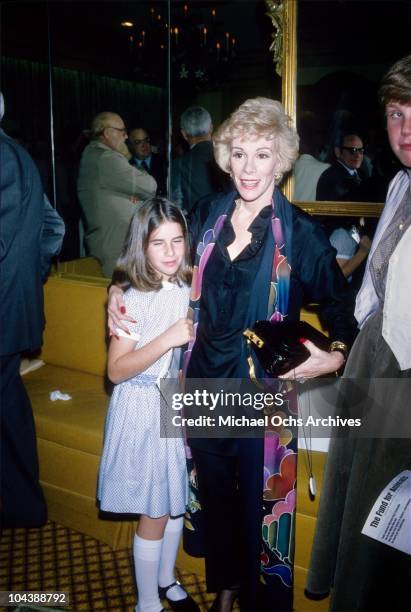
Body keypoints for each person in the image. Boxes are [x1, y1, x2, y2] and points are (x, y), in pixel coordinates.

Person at [108, 98, 356, 611]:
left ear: (282, 160)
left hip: (260, 397)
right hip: (199, 385)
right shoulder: (206, 216)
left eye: (262, 155)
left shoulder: (301, 234)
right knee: (218, 499)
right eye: (239, 153)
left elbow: (340, 309)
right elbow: (149, 252)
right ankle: (226, 585)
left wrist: (335, 356)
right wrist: (115, 291)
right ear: (225, 157)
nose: (248, 168)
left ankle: (248, 593)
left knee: (256, 505)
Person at [306, 54, 411, 612]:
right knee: (370, 521)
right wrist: (343, 353)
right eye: (396, 114)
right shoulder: (398, 184)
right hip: (375, 368)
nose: (406, 128)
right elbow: (375, 295)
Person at [97, 198, 199, 612]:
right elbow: (116, 371)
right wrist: (167, 338)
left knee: (174, 504)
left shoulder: (185, 283)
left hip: (171, 401)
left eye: (178, 240)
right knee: (156, 512)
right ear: (142, 246)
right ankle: (146, 604)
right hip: (141, 407)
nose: (172, 252)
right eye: (159, 243)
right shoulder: (134, 299)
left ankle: (165, 579)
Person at [0, 91, 65, 528]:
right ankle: (22, 507)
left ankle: (22, 506)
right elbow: (52, 227)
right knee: (7, 408)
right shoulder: (17, 153)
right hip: (11, 308)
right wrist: (26, 277)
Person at [77, 112, 157, 277]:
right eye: (122, 131)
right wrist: (129, 159)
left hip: (110, 245)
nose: (126, 136)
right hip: (115, 248)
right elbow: (150, 186)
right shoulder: (107, 158)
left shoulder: (93, 155)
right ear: (107, 133)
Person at [171, 106, 228, 216]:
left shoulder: (178, 164)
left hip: (196, 227)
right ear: (211, 128)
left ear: (183, 134)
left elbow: (176, 206)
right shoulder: (228, 156)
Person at [316, 131, 366, 202]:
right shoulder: (330, 177)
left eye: (361, 151)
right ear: (338, 152)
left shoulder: (362, 175)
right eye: (352, 151)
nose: (358, 156)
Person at [129, 127, 167, 196]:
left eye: (146, 140)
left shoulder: (164, 162)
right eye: (138, 142)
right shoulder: (127, 166)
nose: (144, 145)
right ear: (131, 146)